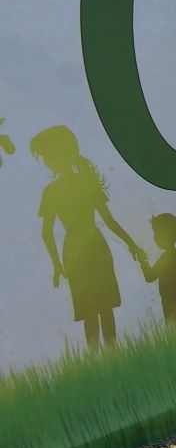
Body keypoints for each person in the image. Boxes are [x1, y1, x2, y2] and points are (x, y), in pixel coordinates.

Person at [31, 125, 147, 348]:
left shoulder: (68, 187)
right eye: (45, 156)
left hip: (85, 249)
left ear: (66, 152)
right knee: (95, 306)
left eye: (49, 155)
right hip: (84, 249)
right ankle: (101, 353)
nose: (47, 160)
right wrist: (56, 264)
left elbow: (108, 220)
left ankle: (105, 352)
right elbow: (46, 233)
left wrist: (132, 244)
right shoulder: (61, 189)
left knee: (97, 306)